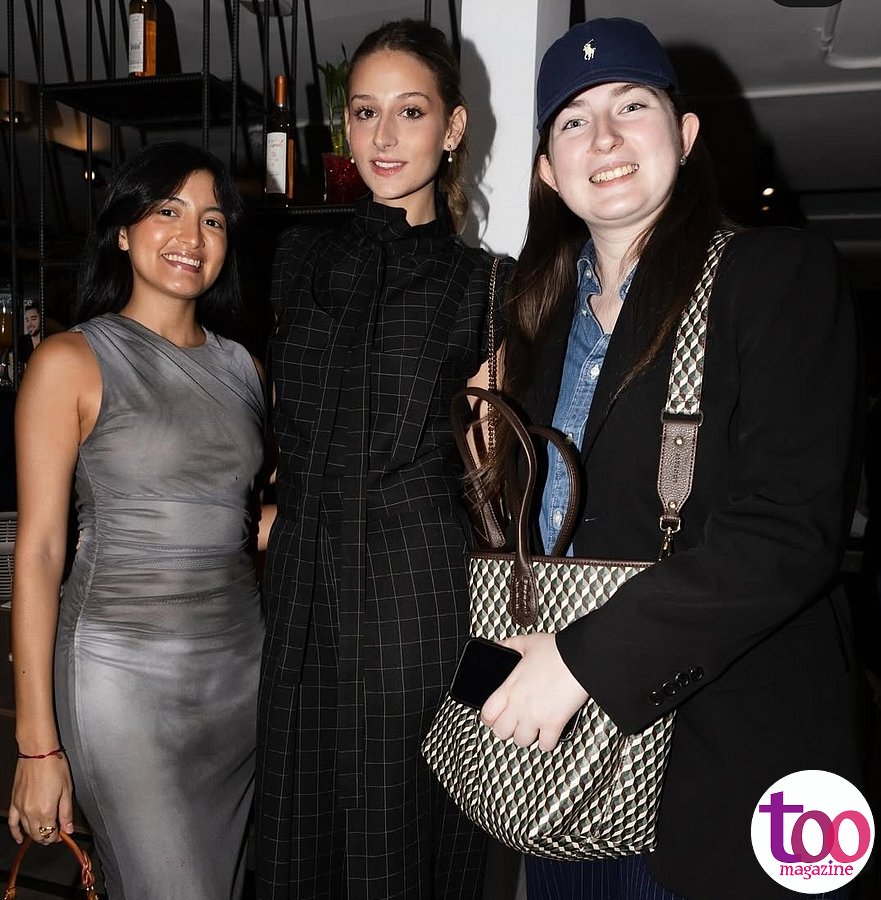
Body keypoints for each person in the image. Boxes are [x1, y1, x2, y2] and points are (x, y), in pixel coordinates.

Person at [478, 18, 863, 900]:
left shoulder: (773, 275)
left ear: (684, 136)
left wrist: (581, 663)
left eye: (631, 106)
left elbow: (787, 530)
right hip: (563, 767)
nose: (603, 137)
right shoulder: (530, 326)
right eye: (572, 120)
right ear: (547, 169)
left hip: (725, 756)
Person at [255, 19, 514, 900]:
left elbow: (491, 464)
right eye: (365, 112)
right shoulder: (295, 257)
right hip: (300, 577)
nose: (384, 136)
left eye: (410, 111)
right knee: (297, 819)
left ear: (452, 127)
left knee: (399, 828)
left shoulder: (487, 282)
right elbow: (273, 416)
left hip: (416, 582)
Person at [8, 140, 265, 900]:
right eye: (167, 211)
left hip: (241, 679)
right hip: (122, 680)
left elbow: (234, 518)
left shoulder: (246, 369)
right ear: (123, 230)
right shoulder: (69, 361)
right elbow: (40, 551)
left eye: (212, 220)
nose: (191, 237)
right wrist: (36, 745)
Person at [16, 303, 41, 370]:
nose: (29, 324)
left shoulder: (49, 340)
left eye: (33, 319)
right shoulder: (22, 341)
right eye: (27, 320)